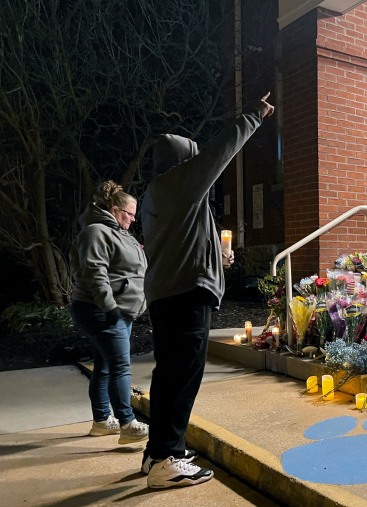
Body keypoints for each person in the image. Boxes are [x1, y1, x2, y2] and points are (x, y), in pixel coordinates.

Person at [140, 93, 275, 489]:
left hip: (168, 293)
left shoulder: (159, 194)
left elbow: (180, 244)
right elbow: (218, 154)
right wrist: (253, 117)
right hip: (184, 295)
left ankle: (157, 453)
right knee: (182, 377)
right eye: (192, 158)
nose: (199, 164)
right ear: (184, 161)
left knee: (170, 374)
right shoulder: (178, 183)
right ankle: (168, 457)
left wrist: (217, 255)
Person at [70, 180, 149, 445]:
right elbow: (95, 272)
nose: (132, 220)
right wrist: (111, 307)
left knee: (104, 365)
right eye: (129, 214)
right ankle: (127, 424)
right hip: (101, 310)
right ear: (114, 209)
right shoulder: (96, 232)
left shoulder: (120, 234)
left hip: (116, 310)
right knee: (120, 366)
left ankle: (102, 421)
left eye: (134, 216)